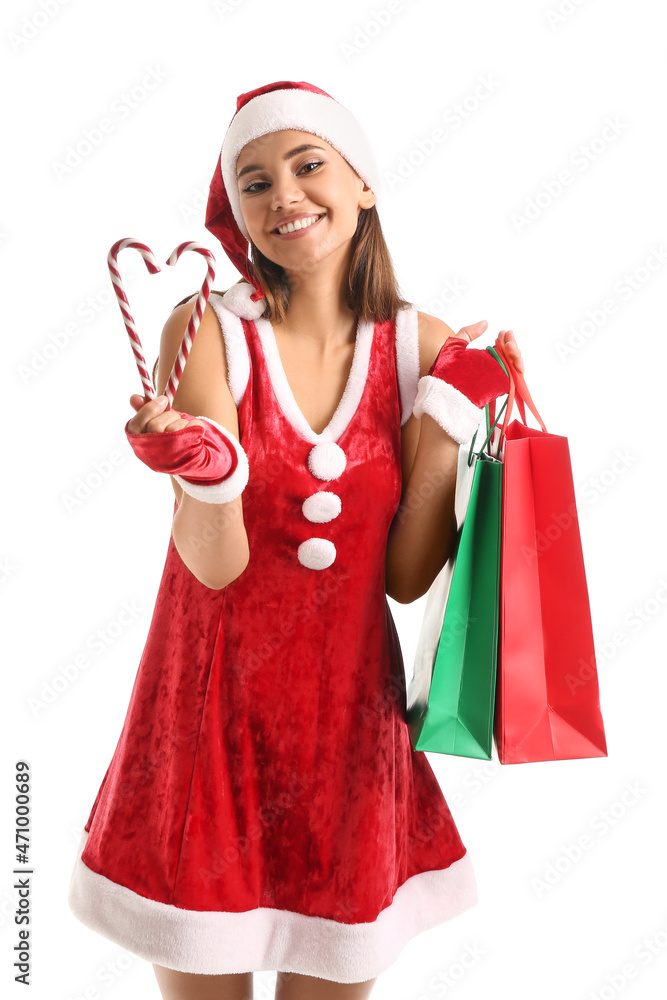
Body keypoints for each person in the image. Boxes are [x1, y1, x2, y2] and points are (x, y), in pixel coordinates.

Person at [67, 80, 524, 1000]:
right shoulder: (205, 339)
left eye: (307, 165)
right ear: (235, 216)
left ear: (362, 185)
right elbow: (216, 563)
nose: (284, 196)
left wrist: (444, 414)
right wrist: (208, 470)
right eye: (254, 182)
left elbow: (400, 578)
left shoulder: (416, 346)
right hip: (208, 719)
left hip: (347, 731)